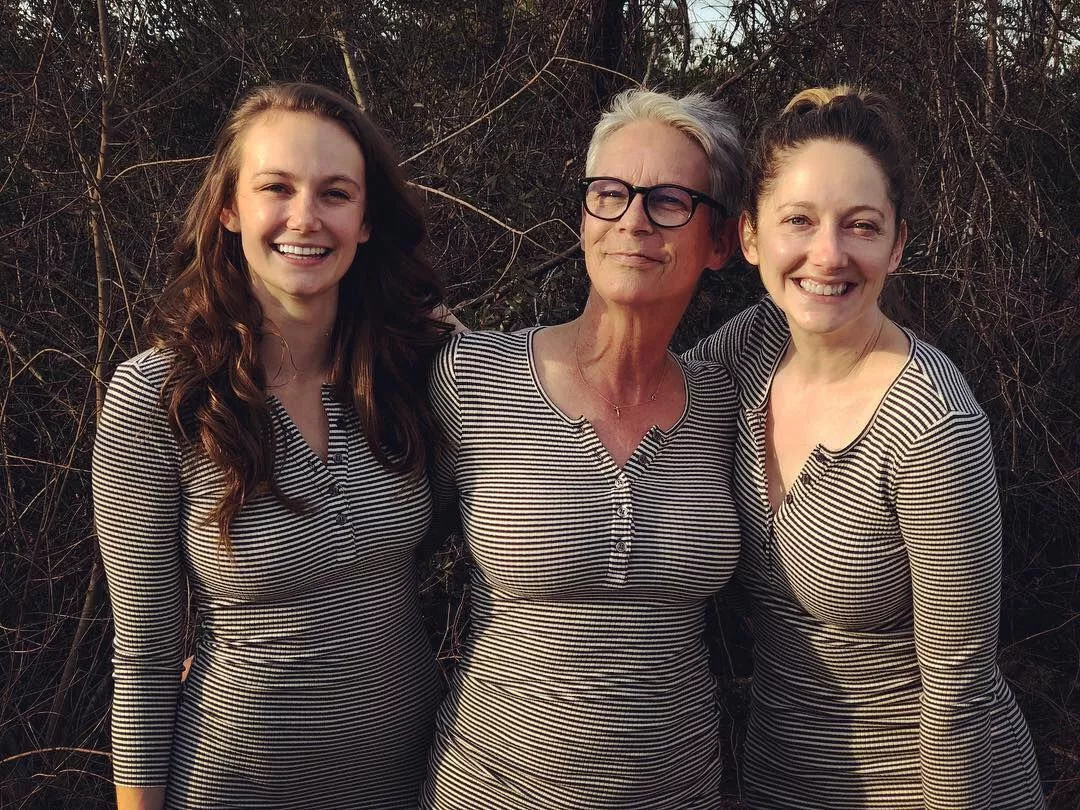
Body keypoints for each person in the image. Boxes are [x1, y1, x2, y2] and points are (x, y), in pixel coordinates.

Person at [92, 82, 449, 810]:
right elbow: (146, 654)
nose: (304, 217)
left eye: (335, 193)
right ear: (229, 208)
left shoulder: (416, 371)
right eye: (276, 188)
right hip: (232, 785)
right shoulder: (158, 396)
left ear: (366, 220)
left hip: (410, 782)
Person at [687, 85, 1045, 809]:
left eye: (861, 225)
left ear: (897, 245)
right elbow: (636, 400)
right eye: (799, 220)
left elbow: (961, 690)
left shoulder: (933, 426)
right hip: (780, 779)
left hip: (927, 787)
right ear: (751, 236)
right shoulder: (749, 347)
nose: (828, 254)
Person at [420, 89, 745, 809]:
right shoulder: (474, 378)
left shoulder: (729, 402)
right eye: (610, 194)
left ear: (721, 242)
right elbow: (378, 549)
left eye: (669, 200)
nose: (633, 220)